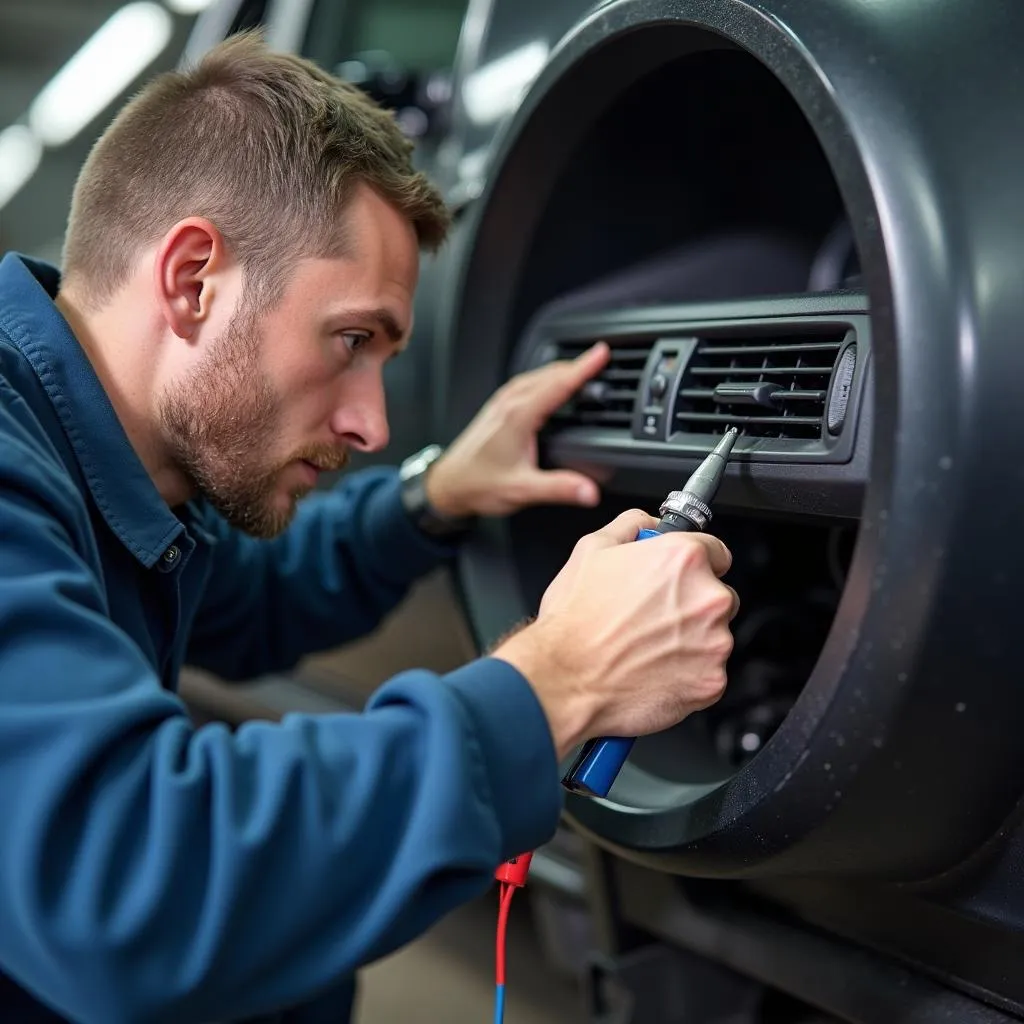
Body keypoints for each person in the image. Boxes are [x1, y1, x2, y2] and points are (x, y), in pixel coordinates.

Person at [0, 31, 739, 1024]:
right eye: (350, 340)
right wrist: (560, 679)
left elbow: (249, 595)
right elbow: (133, 887)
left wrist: (433, 496)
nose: (372, 424)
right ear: (191, 280)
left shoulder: (111, 456)